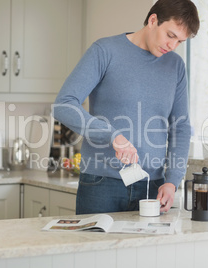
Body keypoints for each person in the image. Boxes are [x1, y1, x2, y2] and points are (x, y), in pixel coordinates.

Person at [52, 0, 200, 215]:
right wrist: (112, 136)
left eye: (180, 41)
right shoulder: (105, 51)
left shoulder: (175, 66)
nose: (172, 46)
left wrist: (172, 181)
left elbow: (181, 127)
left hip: (153, 187)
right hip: (102, 184)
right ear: (153, 20)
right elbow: (64, 104)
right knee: (95, 248)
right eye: (170, 35)